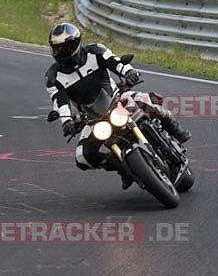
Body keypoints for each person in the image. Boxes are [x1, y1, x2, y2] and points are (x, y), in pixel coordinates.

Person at [44, 22, 190, 188]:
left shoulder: (94, 51)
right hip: (93, 119)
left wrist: (128, 71)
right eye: (55, 48)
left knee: (145, 100)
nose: (58, 52)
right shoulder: (53, 77)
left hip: (117, 100)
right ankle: (122, 168)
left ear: (74, 44)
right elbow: (59, 101)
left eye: (63, 47)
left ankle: (172, 125)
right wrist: (66, 121)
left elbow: (114, 61)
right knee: (82, 157)